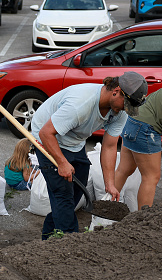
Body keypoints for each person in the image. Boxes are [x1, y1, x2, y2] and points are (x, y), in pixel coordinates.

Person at [31, 72, 148, 240]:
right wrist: (62, 162)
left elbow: (109, 146)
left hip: (74, 141)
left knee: (75, 194)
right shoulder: (80, 105)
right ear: (116, 91)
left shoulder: (119, 111)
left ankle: (48, 238)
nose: (125, 109)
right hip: (47, 139)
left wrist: (110, 184)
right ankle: (69, 244)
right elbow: (46, 133)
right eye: (126, 103)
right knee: (62, 195)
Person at [115, 88, 162, 209]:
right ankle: (142, 222)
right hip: (146, 128)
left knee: (124, 170)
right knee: (151, 177)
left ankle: (102, 213)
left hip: (133, 120)